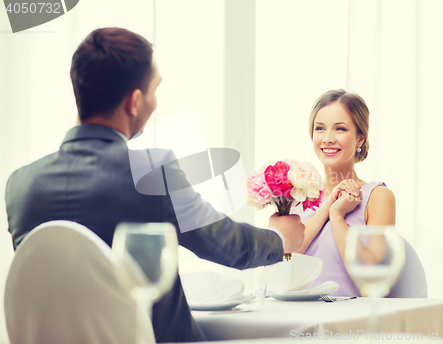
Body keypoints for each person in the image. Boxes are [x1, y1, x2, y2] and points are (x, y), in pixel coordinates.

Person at [5, 27, 305, 342]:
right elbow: (225, 245)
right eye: (154, 89)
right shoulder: (153, 172)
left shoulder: (20, 185)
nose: (154, 101)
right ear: (135, 101)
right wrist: (279, 240)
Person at [291, 89, 427, 298]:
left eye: (340, 129)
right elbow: (281, 266)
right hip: (292, 315)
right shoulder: (296, 195)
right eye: (320, 128)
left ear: (360, 138)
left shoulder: (378, 196)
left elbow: (371, 282)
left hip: (349, 321)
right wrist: (327, 208)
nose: (327, 138)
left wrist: (338, 217)